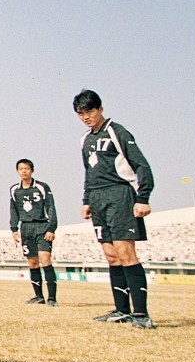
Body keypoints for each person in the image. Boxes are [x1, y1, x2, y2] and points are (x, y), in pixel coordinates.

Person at [74, 90, 155, 329]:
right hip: (98, 199)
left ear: (100, 109)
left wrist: (143, 196)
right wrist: (86, 200)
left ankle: (141, 313)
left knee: (125, 252)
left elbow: (142, 165)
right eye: (80, 113)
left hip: (119, 195)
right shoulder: (85, 140)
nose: (85, 117)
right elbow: (89, 172)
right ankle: (122, 309)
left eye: (89, 111)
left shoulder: (117, 131)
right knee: (111, 255)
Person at [9, 158, 58, 306]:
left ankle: (52, 298)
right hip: (26, 228)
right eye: (21, 169)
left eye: (27, 168)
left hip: (42, 226)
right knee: (32, 262)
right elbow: (13, 210)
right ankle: (39, 296)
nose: (24, 171)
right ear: (17, 171)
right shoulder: (14, 190)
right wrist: (14, 228)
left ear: (32, 170)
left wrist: (51, 227)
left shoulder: (42, 187)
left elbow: (51, 207)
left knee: (45, 260)